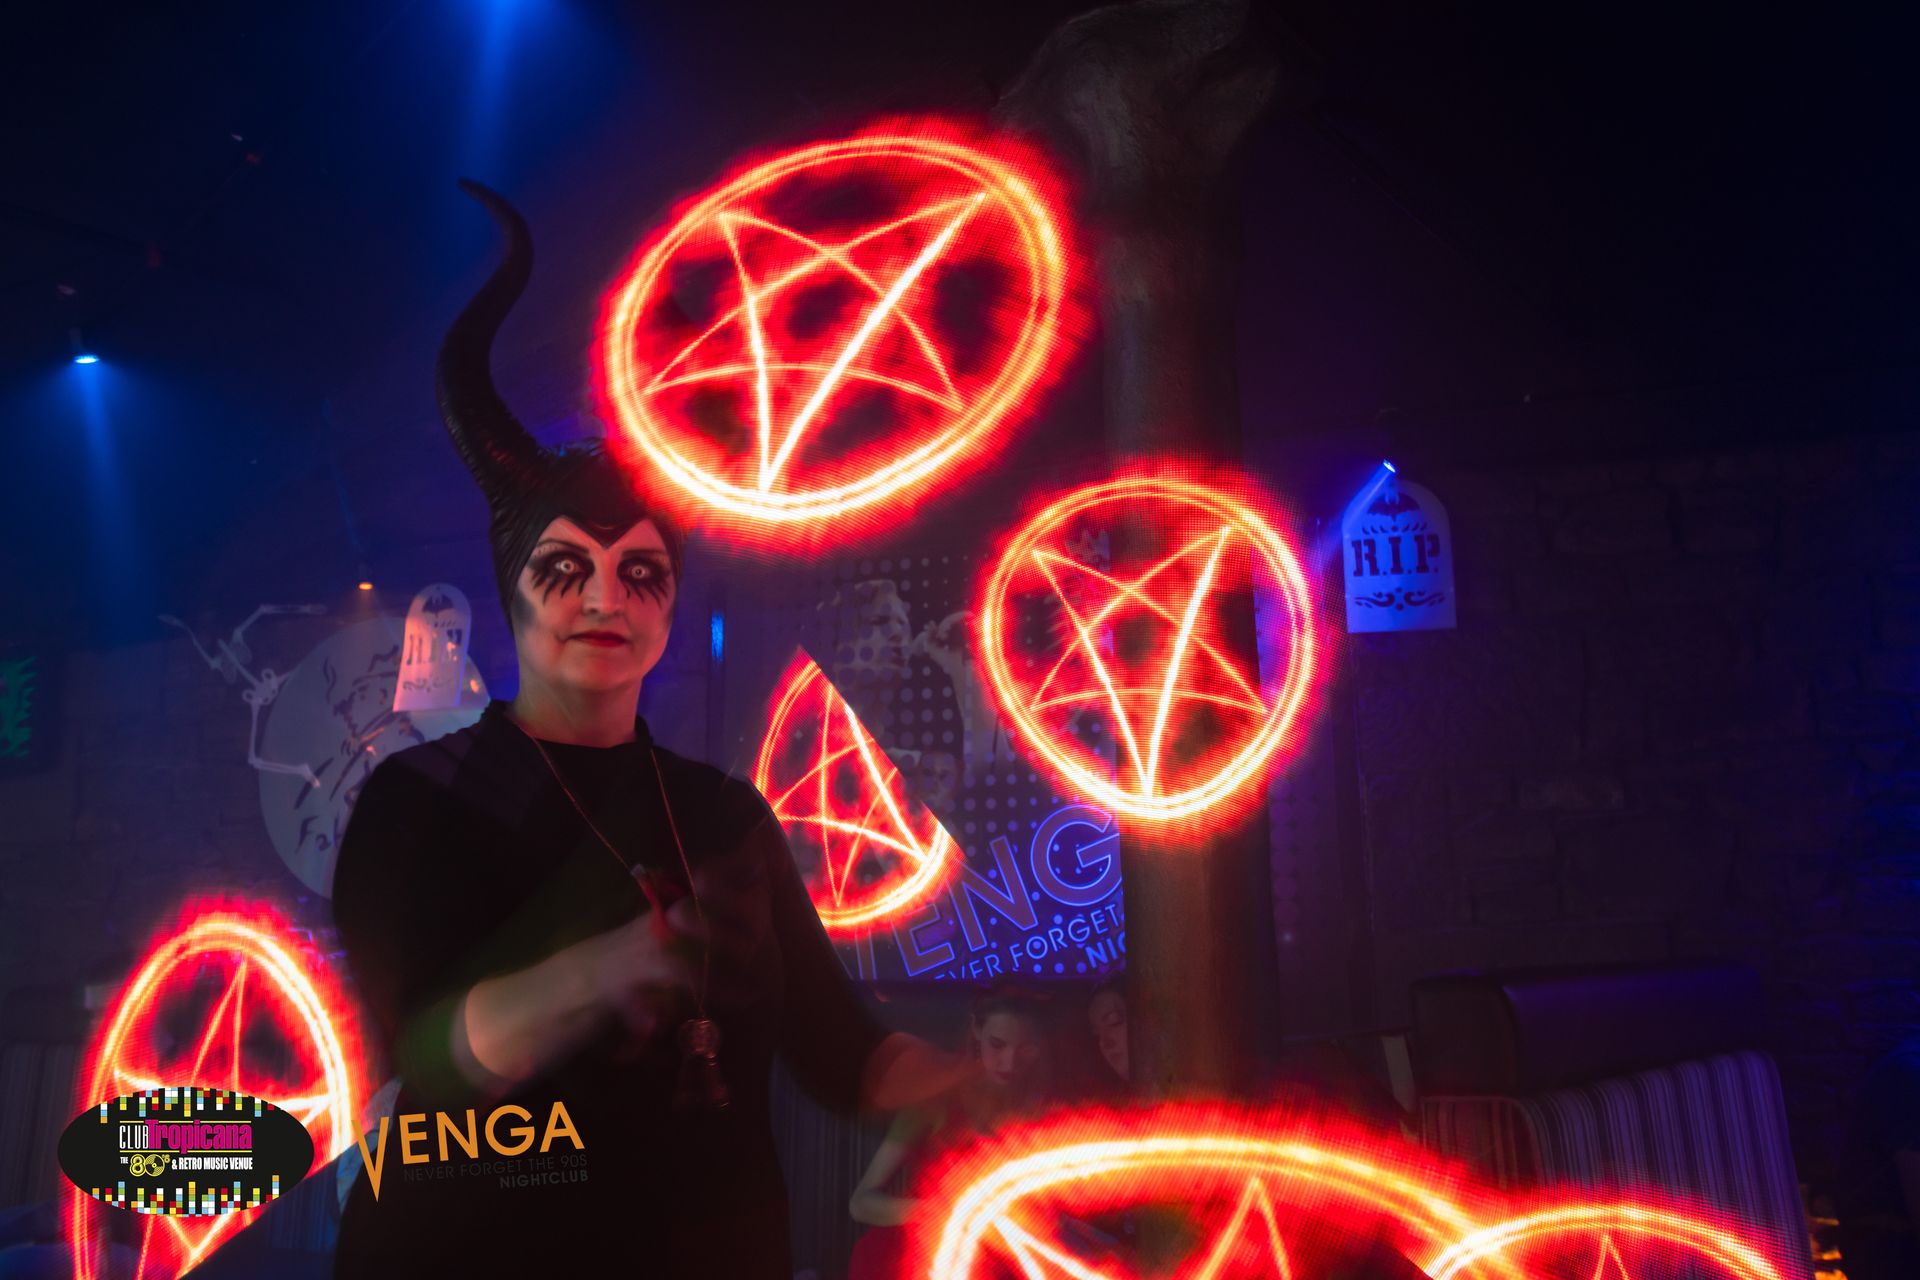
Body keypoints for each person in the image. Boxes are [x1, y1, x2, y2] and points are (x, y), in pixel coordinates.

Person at [329, 181, 967, 1279]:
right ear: (511, 592)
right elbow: (420, 1055)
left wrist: (964, 1083)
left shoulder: (723, 813)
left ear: (671, 605)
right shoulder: (419, 798)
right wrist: (605, 968)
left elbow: (839, 1049)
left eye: (640, 572)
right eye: (564, 568)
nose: (604, 600)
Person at [845, 987, 1056, 1280]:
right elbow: (860, 1203)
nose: (1009, 1062)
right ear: (976, 1031)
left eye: (1025, 1049)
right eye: (997, 1044)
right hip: (907, 1261)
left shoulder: (1041, 1111)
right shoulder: (936, 1102)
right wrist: (942, 1209)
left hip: (992, 1260)